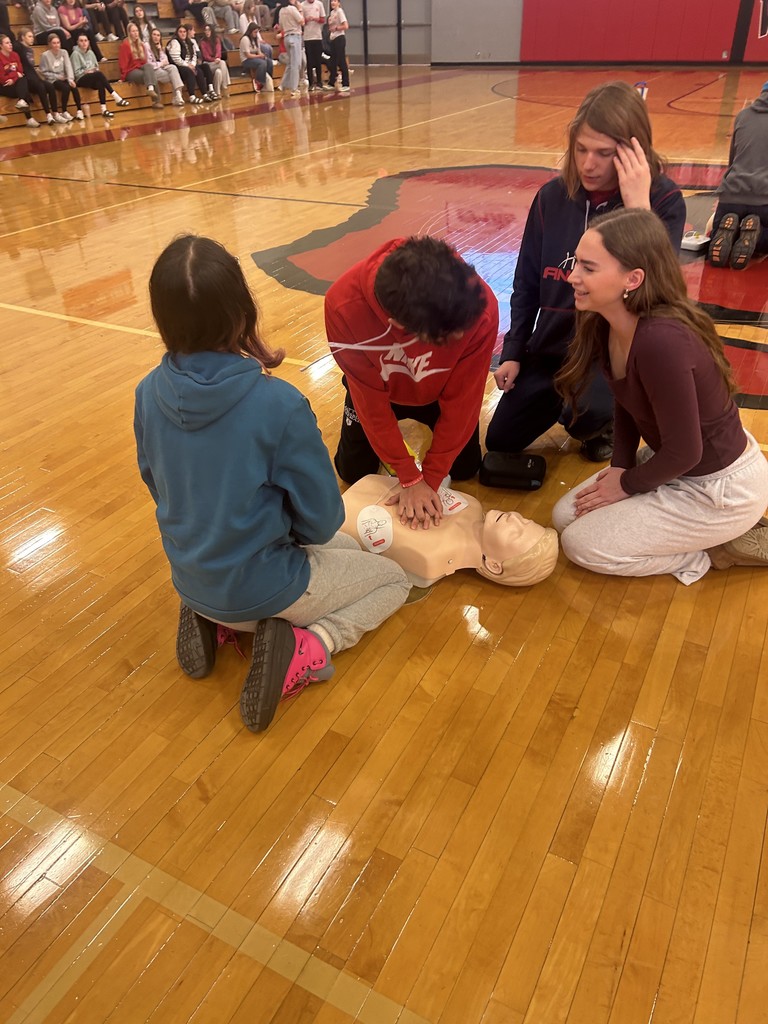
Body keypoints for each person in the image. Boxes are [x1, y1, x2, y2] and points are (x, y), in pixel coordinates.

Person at [134, 235, 410, 733]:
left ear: (162, 318)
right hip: (264, 586)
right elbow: (322, 521)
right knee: (393, 578)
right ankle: (310, 646)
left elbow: (155, 482)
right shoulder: (278, 405)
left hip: (190, 574)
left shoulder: (146, 392)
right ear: (242, 311)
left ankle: (211, 618)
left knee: (347, 550)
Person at [551, 207, 768, 583]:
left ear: (632, 279)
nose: (572, 277)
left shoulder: (661, 341)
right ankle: (689, 532)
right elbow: (627, 400)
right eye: (576, 264)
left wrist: (627, 485)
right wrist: (620, 466)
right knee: (563, 516)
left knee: (581, 545)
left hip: (719, 489)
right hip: (675, 464)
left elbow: (687, 451)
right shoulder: (606, 322)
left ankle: (708, 551)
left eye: (588, 268)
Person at [486, 80, 686, 464]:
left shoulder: (663, 201)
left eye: (603, 153)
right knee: (502, 439)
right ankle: (573, 404)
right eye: (581, 149)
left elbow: (661, 298)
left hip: (611, 354)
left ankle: (602, 421)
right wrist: (513, 352)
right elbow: (526, 282)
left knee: (585, 413)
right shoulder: (551, 197)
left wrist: (638, 210)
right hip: (552, 350)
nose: (588, 164)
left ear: (633, 152)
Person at [326, 236, 499, 530]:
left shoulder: (479, 309)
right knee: (351, 472)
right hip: (378, 389)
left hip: (440, 391)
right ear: (399, 328)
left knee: (466, 467)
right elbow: (370, 402)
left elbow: (464, 402)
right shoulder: (343, 305)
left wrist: (428, 480)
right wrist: (408, 475)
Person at [341, 474, 559, 588]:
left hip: (339, 513)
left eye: (516, 533)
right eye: (526, 520)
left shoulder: (433, 557)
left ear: (493, 565)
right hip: (370, 488)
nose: (516, 518)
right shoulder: (471, 504)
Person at [708, 81, 768, 271]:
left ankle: (731, 231)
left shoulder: (742, 116)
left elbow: (732, 161)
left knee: (715, 231)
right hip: (764, 201)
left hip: (730, 195)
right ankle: (756, 237)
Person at [71, 30, 127, 116]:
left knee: (100, 83)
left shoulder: (91, 53)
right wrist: (86, 72)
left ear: (89, 42)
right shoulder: (75, 54)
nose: (84, 43)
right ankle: (116, 96)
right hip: (81, 79)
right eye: (81, 41)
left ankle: (104, 109)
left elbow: (96, 67)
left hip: (92, 77)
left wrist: (93, 71)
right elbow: (76, 73)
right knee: (99, 74)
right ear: (77, 43)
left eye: (85, 41)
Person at [17, 27, 63, 124]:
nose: (32, 38)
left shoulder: (30, 50)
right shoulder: (19, 48)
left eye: (32, 36)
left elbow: (31, 67)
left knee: (50, 86)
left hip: (34, 77)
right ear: (22, 38)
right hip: (27, 80)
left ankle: (55, 113)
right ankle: (48, 115)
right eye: (29, 36)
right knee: (41, 86)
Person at [119, 20, 163, 108]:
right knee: (151, 75)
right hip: (130, 71)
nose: (136, 33)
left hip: (140, 68)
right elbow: (123, 63)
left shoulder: (141, 45)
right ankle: (156, 101)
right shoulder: (125, 45)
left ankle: (150, 89)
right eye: (133, 31)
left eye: (137, 31)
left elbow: (144, 62)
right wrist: (123, 78)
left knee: (149, 68)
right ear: (129, 33)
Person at [39, 32, 84, 119]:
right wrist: (57, 77)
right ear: (50, 44)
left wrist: (70, 79)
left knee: (73, 86)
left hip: (64, 77)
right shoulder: (45, 55)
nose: (56, 45)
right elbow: (44, 72)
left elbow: (68, 66)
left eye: (58, 43)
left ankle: (79, 110)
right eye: (54, 43)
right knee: (65, 88)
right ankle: (64, 110)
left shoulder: (64, 52)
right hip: (52, 79)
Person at [0, 34, 40, 126]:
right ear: (1, 46)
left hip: (13, 84)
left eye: (10, 42)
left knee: (23, 81)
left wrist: (13, 79)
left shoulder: (15, 55)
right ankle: (29, 118)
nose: (10, 44)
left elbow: (21, 71)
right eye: (7, 43)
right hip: (4, 86)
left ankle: (22, 101)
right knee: (23, 86)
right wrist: (15, 76)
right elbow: (2, 78)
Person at [145, 27, 185, 106]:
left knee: (173, 67)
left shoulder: (159, 47)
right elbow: (149, 64)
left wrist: (160, 50)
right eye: (154, 35)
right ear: (150, 36)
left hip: (161, 68)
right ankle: (176, 97)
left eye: (158, 35)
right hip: (152, 71)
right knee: (174, 75)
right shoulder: (147, 46)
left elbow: (166, 61)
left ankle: (178, 95)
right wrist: (160, 64)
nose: (156, 37)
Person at [239, 21, 273, 92]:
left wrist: (262, 55)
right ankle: (259, 82)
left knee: (269, 61)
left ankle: (268, 78)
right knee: (262, 63)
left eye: (257, 32)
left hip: (254, 57)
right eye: (255, 32)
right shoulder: (245, 39)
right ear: (250, 31)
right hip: (246, 60)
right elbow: (248, 55)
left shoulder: (256, 39)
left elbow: (258, 51)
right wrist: (258, 56)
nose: (256, 34)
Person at [277, 0, 302, 95]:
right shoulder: (292, 9)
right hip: (295, 36)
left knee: (291, 63)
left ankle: (283, 84)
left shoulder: (281, 10)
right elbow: (301, 21)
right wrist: (300, 10)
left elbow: (281, 27)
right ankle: (294, 89)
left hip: (286, 38)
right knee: (296, 64)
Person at [199, 23, 229, 95]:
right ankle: (225, 86)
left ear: (212, 31)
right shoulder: (202, 42)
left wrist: (217, 58)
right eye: (205, 30)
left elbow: (218, 50)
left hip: (216, 62)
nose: (207, 32)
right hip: (207, 64)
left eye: (209, 30)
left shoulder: (216, 39)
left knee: (218, 72)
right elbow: (205, 56)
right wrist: (214, 60)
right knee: (222, 63)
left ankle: (218, 93)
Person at [300, 0, 323, 90]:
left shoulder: (319, 4)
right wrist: (306, 19)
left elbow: (323, 19)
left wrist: (317, 19)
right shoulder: (302, 5)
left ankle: (319, 82)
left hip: (317, 36)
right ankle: (311, 83)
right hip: (307, 37)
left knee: (318, 61)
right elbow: (301, 21)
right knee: (309, 61)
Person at [326, 0, 348, 92]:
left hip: (339, 38)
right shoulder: (332, 13)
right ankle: (331, 82)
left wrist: (336, 28)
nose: (333, 3)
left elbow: (346, 26)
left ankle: (346, 83)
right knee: (333, 61)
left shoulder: (340, 11)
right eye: (331, 1)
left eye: (335, 1)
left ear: (338, 2)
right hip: (333, 39)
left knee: (341, 60)